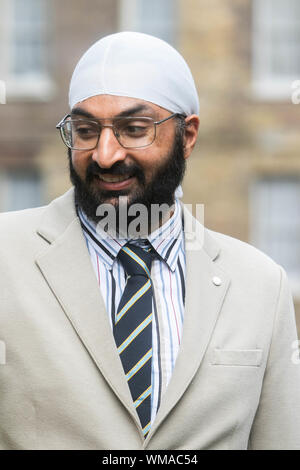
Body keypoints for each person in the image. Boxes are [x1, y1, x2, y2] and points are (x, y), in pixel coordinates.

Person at [0, 31, 300, 451]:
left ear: (188, 136)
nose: (105, 154)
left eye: (133, 129)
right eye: (86, 131)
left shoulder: (261, 285)